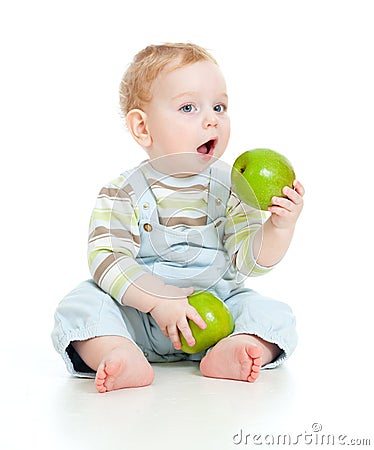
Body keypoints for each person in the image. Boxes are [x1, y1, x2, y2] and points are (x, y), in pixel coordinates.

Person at [51, 43, 305, 393]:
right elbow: (106, 260)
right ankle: (118, 351)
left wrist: (278, 226)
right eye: (189, 107)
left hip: (217, 311)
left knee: (274, 313)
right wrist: (157, 301)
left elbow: (249, 260)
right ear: (142, 127)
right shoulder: (122, 192)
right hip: (138, 316)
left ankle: (234, 348)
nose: (212, 118)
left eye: (220, 106)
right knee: (79, 305)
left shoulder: (234, 188)